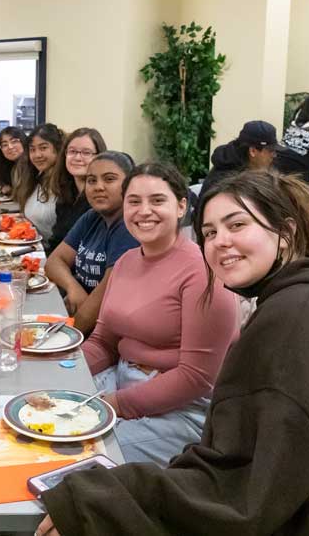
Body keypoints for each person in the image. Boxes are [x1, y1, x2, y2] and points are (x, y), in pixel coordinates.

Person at [37, 170, 309, 536]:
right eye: (210, 232)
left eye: (237, 225)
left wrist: (97, 498)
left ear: (284, 232)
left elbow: (243, 495)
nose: (220, 241)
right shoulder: (302, 298)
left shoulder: (299, 317)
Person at [82, 162, 238, 466]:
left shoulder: (203, 271)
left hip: (183, 406)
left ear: (181, 206)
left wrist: (114, 405)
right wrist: (67, 369)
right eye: (134, 201)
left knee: (86, 459)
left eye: (157, 200)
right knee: (42, 412)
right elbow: (103, 340)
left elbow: (196, 378)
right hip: (122, 381)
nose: (144, 211)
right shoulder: (126, 261)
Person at [45, 151, 138, 320]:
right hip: (76, 312)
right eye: (91, 180)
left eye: (109, 179)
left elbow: (101, 301)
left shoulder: (128, 227)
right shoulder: (92, 217)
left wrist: (68, 335)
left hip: (101, 329)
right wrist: (73, 287)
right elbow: (54, 262)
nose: (98, 187)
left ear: (129, 184)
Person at [47, 127, 107, 251]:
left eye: (86, 153)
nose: (78, 158)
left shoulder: (101, 199)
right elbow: (56, 240)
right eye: (72, 151)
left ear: (99, 156)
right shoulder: (65, 194)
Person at [200, 120, 283, 198]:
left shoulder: (246, 170)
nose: (274, 155)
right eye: (271, 151)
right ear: (253, 151)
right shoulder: (226, 182)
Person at [15, 123, 64, 246]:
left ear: (58, 149)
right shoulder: (37, 178)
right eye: (32, 149)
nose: (37, 155)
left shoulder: (65, 184)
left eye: (43, 148)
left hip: (52, 253)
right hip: (33, 246)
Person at [0, 126, 28, 197]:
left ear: (24, 141)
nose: (10, 147)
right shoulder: (9, 165)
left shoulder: (31, 163)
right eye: (4, 145)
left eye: (14, 141)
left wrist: (11, 190)